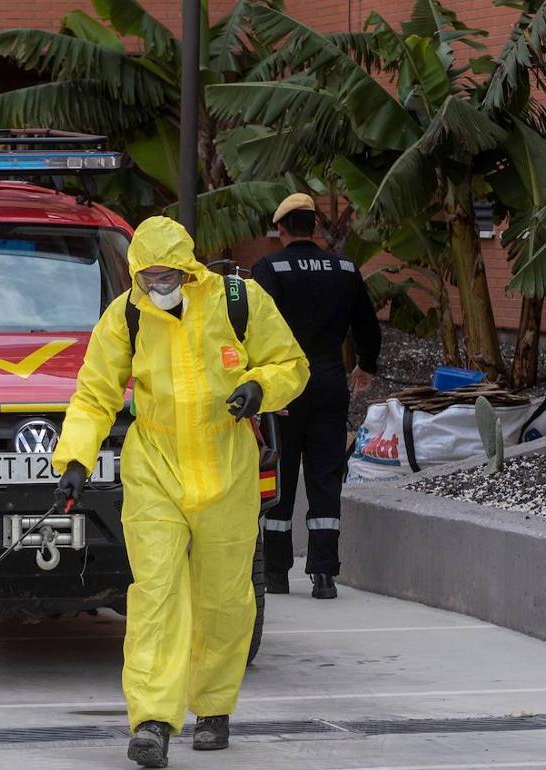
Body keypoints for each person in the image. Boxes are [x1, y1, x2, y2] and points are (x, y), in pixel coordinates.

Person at [51, 217, 308, 767]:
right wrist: (75, 457)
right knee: (156, 593)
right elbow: (95, 392)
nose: (158, 284)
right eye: (148, 276)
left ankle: (213, 706)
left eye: (167, 274)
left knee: (223, 598)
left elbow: (292, 364)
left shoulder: (239, 300)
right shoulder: (126, 317)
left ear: (188, 269)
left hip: (227, 467)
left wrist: (258, 388)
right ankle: (151, 721)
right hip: (156, 469)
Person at [251, 193, 381, 600]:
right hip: (328, 382)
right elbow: (368, 326)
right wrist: (366, 365)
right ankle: (324, 576)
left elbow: (252, 328)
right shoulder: (345, 268)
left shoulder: (269, 269)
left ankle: (275, 572)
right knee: (326, 477)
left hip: (284, 387)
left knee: (282, 477)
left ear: (284, 228)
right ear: (315, 227)